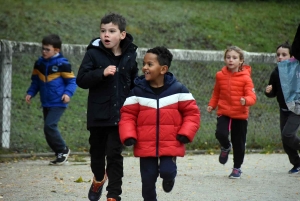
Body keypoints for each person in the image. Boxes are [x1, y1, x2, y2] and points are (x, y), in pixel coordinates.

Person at [119, 46, 200, 201]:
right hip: (145, 144)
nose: (144, 68)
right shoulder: (137, 91)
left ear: (163, 69)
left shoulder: (178, 90)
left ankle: (170, 177)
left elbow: (192, 113)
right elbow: (127, 115)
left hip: (171, 142)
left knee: (167, 171)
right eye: (144, 64)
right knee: (147, 181)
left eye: (150, 64)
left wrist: (186, 132)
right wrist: (128, 135)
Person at [76, 13, 138, 201]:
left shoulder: (130, 56)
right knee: (97, 154)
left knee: (114, 154)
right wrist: (101, 73)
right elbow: (81, 80)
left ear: (122, 34)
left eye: (111, 31)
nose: (106, 35)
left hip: (120, 116)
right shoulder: (93, 53)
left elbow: (134, 83)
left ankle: (113, 195)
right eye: (103, 31)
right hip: (98, 115)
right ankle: (99, 177)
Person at [25, 34, 77, 165]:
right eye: (43, 48)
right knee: (47, 129)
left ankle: (63, 149)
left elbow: (72, 81)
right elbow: (35, 81)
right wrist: (31, 93)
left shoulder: (62, 64)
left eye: (47, 49)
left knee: (50, 125)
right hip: (46, 101)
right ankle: (60, 153)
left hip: (58, 101)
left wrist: (67, 94)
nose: (44, 51)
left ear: (56, 50)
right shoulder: (39, 63)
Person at [207, 46, 256, 179]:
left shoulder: (246, 78)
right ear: (224, 59)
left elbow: (252, 97)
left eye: (234, 58)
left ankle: (237, 168)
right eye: (228, 57)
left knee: (238, 142)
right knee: (220, 133)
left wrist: (245, 100)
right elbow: (216, 93)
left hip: (240, 113)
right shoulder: (220, 75)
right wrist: (212, 105)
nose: (231, 60)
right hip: (224, 111)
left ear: (241, 61)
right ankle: (225, 146)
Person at [265, 24, 300, 174]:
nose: (280, 57)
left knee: (288, 134)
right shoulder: (276, 72)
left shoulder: (297, 69)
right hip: (284, 109)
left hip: (296, 109)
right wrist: (269, 91)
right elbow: (273, 93)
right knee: (285, 140)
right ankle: (296, 163)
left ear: (291, 56)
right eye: (278, 54)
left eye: (284, 54)